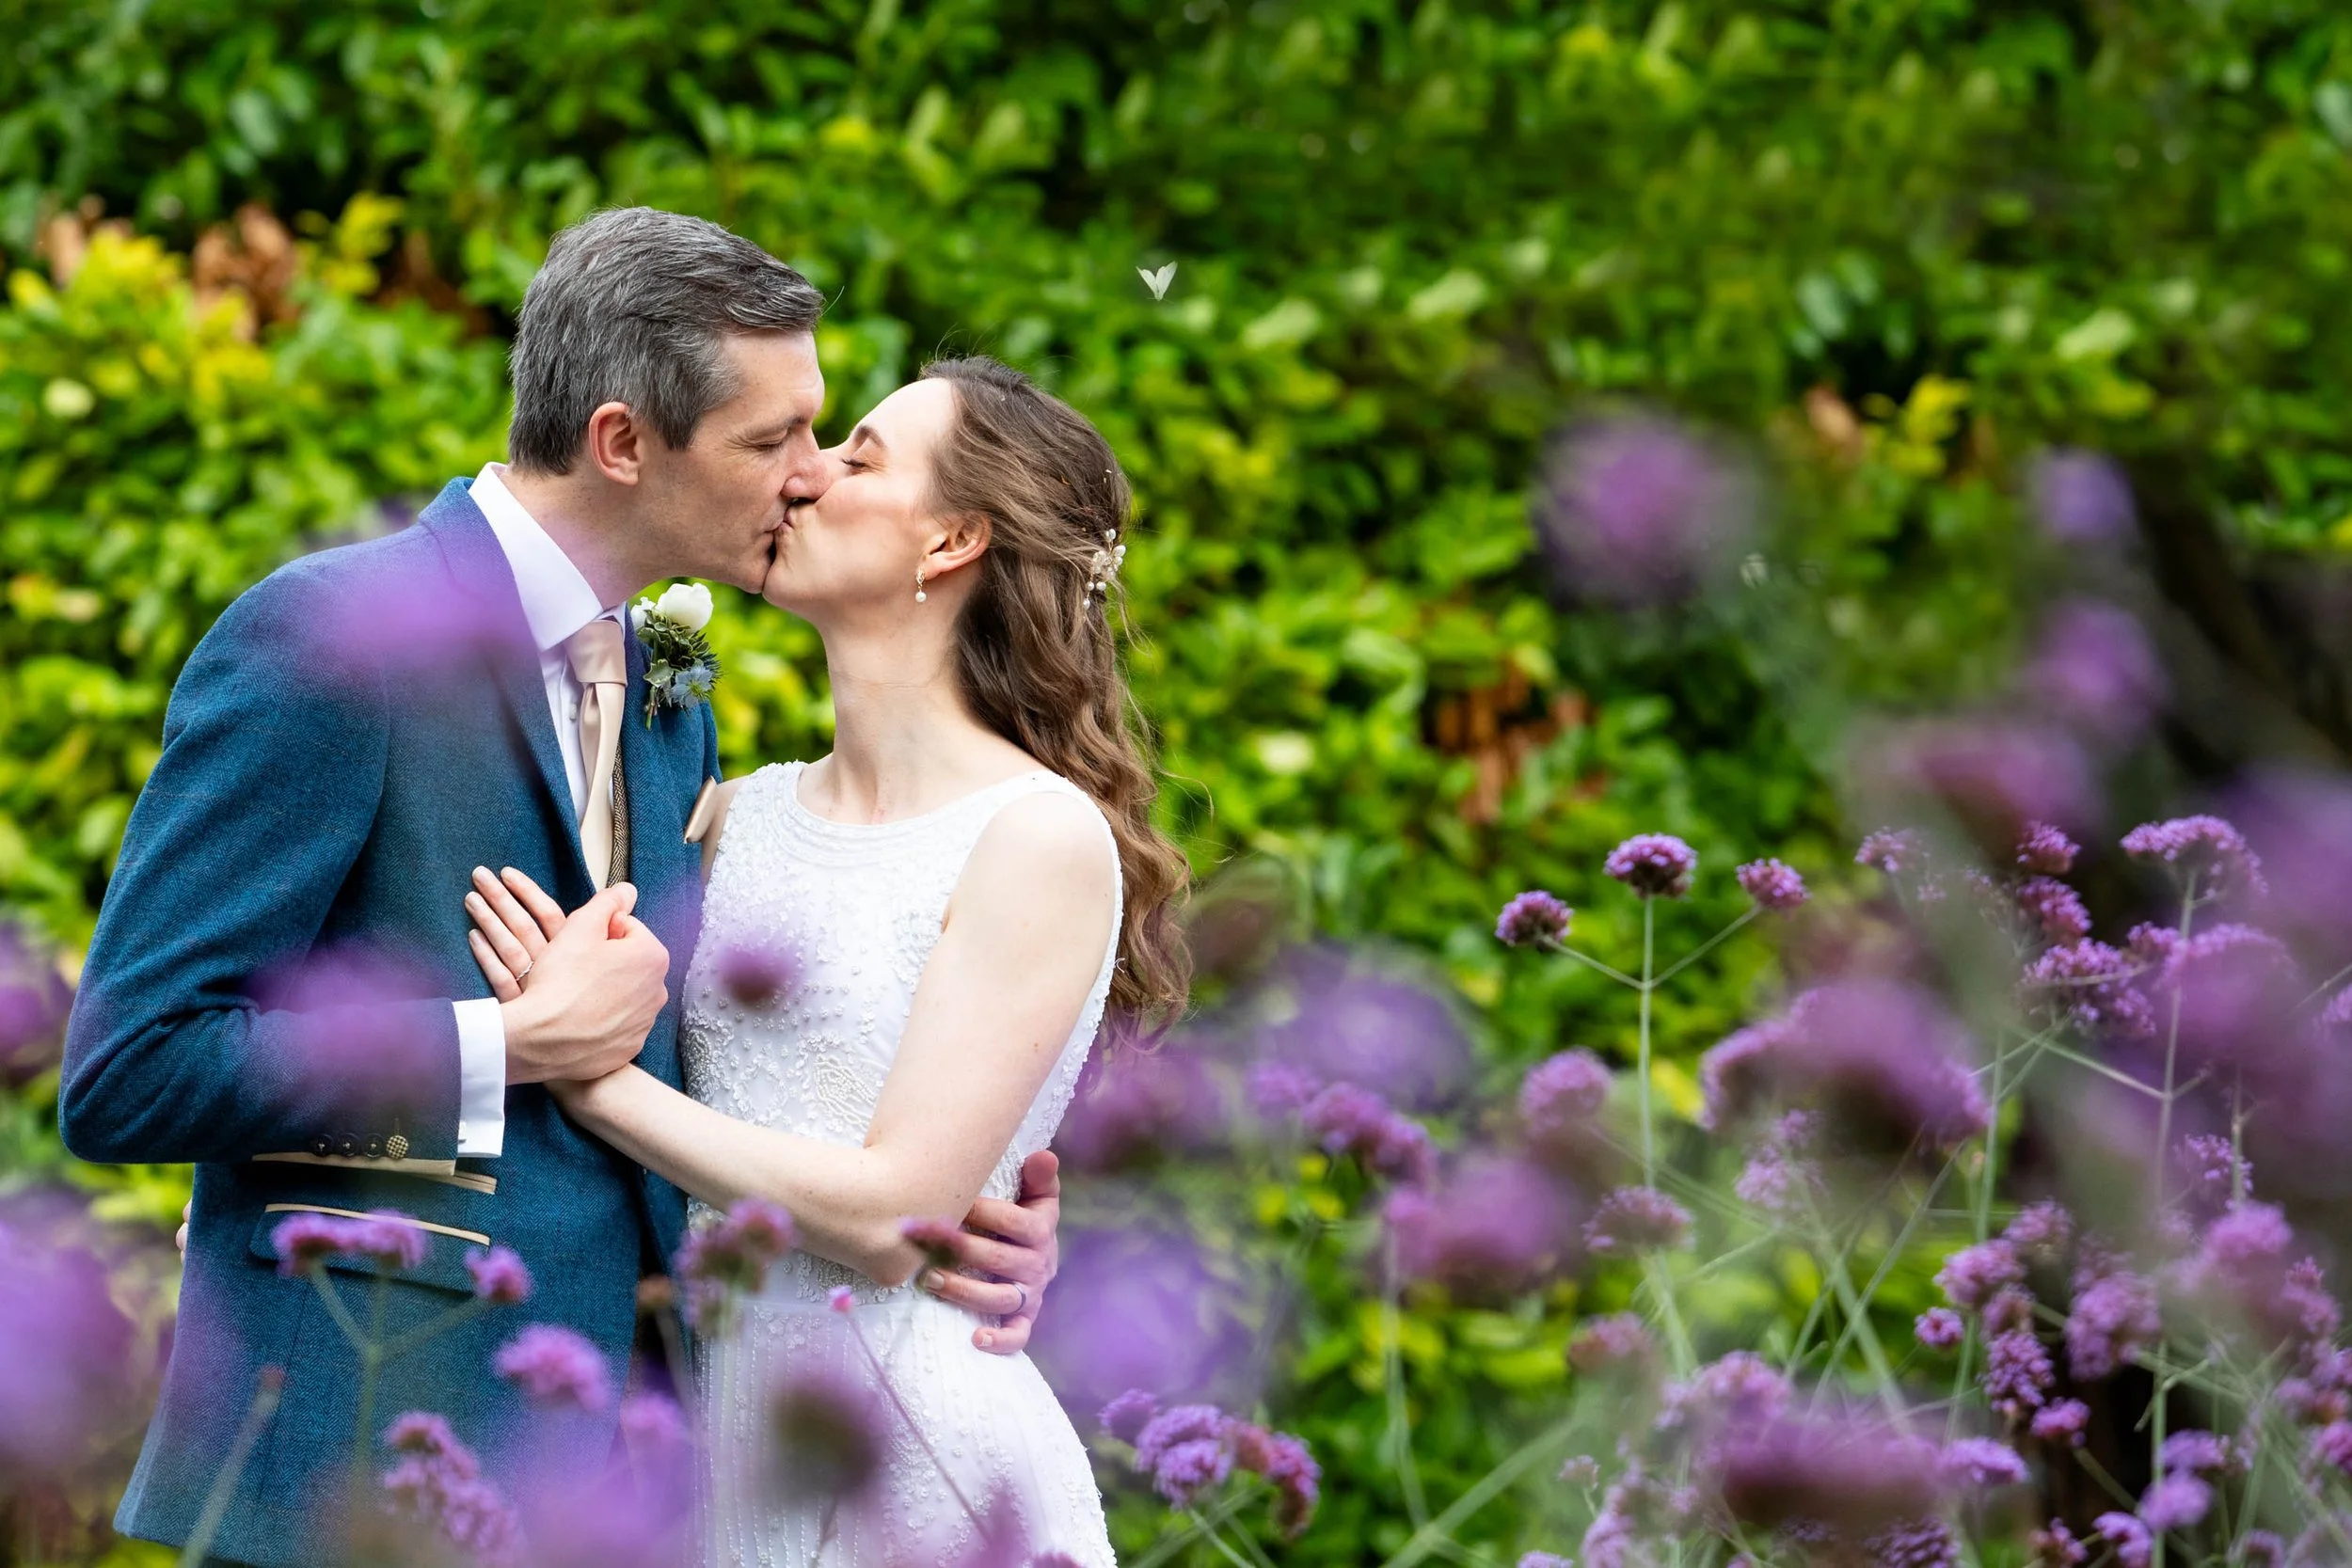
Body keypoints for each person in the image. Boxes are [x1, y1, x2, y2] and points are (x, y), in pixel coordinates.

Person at [57, 209, 1061, 1567]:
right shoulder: (326, 642)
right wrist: (503, 1045)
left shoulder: (672, 701)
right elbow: (131, 1066)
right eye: (775, 439)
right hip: (358, 1465)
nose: (809, 477)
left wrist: (973, 1209)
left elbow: (713, 1049)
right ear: (622, 442)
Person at [460, 355, 1191, 1563]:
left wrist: (589, 1077)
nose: (803, 477)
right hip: (723, 1467)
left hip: (921, 1468)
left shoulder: (1034, 833)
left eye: (858, 454)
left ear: (951, 539)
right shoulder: (727, 812)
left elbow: (900, 1212)